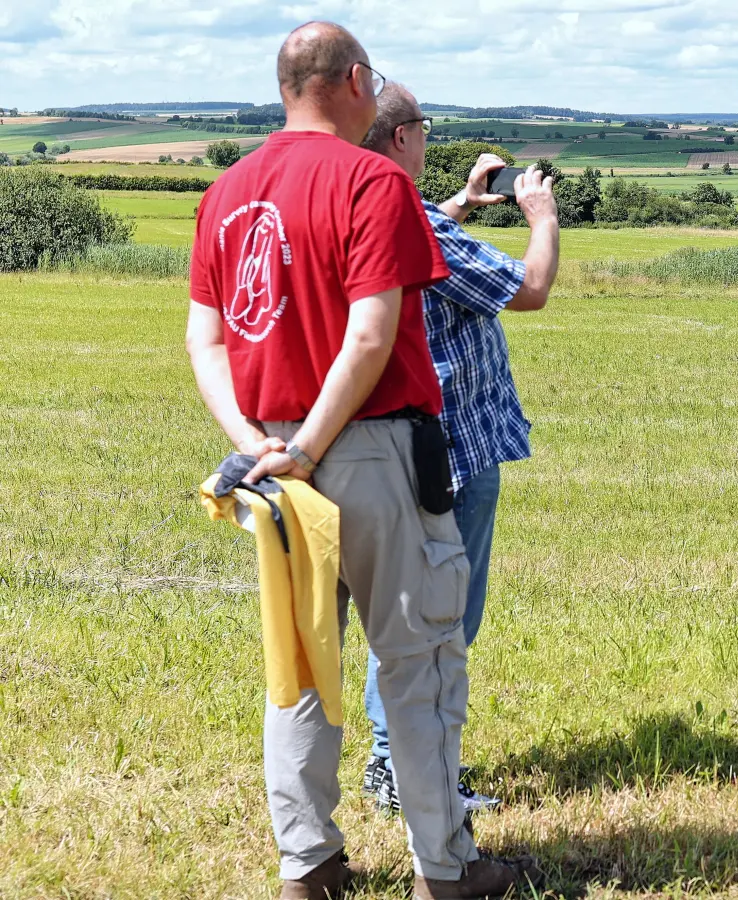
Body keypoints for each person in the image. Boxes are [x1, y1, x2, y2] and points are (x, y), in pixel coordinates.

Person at [184, 21, 527, 900]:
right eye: (372, 84)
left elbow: (206, 337)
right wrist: (310, 446)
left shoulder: (226, 192)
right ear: (350, 82)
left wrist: (258, 442)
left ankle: (309, 864)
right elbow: (372, 333)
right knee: (418, 660)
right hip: (369, 447)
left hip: (269, 461)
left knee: (298, 664)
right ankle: (445, 868)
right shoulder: (372, 178)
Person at [355, 84, 559, 814]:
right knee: (440, 618)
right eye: (424, 127)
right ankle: (400, 768)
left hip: (406, 443)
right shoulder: (416, 224)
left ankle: (397, 761)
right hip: (455, 452)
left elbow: (420, 234)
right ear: (404, 137)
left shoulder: (376, 209)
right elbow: (528, 289)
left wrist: (466, 200)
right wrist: (540, 216)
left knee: (411, 611)